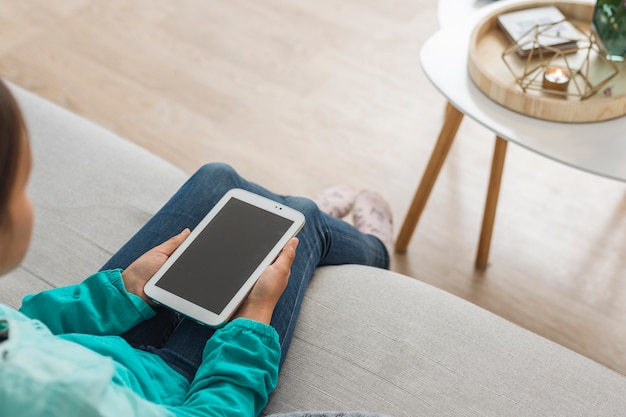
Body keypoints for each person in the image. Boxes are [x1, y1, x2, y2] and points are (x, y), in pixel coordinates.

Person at [0, 78, 393, 417]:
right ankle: (372, 249)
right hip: (174, 386)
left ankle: (304, 225)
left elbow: (28, 329)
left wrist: (122, 293)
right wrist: (254, 317)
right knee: (303, 218)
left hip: (102, 347)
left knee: (217, 177)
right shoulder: (61, 398)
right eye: (23, 187)